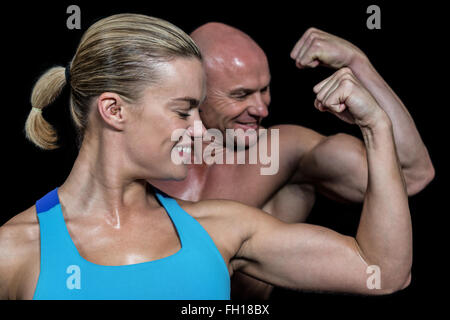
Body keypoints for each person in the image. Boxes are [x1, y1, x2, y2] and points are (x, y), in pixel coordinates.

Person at [0, 13, 411, 300]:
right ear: (114, 110)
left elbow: (383, 272)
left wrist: (376, 126)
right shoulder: (13, 251)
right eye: (183, 111)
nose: (200, 131)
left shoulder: (222, 227)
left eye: (199, 109)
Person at [149, 23, 435, 299]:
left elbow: (413, 174)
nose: (261, 108)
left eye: (264, 90)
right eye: (242, 95)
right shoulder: (145, 156)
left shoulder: (285, 151)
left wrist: (357, 64)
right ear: (195, 92)